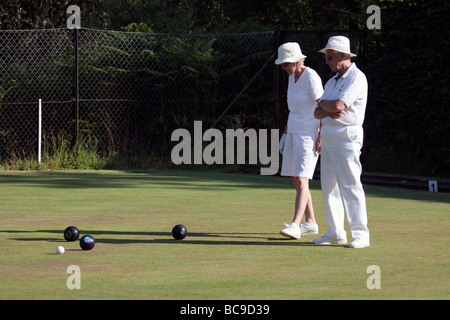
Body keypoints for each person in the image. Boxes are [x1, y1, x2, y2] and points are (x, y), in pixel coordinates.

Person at [313, 36, 370, 248]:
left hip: (347, 136)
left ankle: (360, 233)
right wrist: (328, 108)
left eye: (330, 57)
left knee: (350, 184)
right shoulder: (331, 81)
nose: (327, 61)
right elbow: (318, 110)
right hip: (328, 135)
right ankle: (335, 232)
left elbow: (338, 105)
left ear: (343, 56)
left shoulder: (357, 78)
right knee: (329, 187)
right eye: (327, 57)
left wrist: (329, 107)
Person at [275, 42, 323, 239]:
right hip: (293, 131)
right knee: (295, 178)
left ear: (297, 60)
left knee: (302, 179)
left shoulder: (311, 77)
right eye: (283, 64)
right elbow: (293, 109)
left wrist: (322, 134)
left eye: (286, 64)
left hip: (309, 134)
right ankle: (310, 222)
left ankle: (295, 225)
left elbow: (322, 106)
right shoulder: (291, 78)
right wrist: (286, 132)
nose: (284, 68)